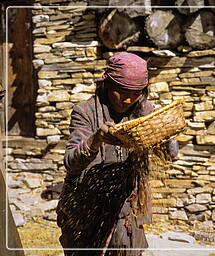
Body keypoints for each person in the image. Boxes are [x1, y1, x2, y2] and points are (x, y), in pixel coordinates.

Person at [56, 52, 179, 256]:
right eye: (121, 92)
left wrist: (168, 134)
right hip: (87, 206)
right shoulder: (85, 112)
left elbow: (172, 154)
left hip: (126, 209)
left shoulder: (144, 110)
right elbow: (71, 163)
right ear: (107, 85)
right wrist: (96, 139)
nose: (128, 99)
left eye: (136, 93)